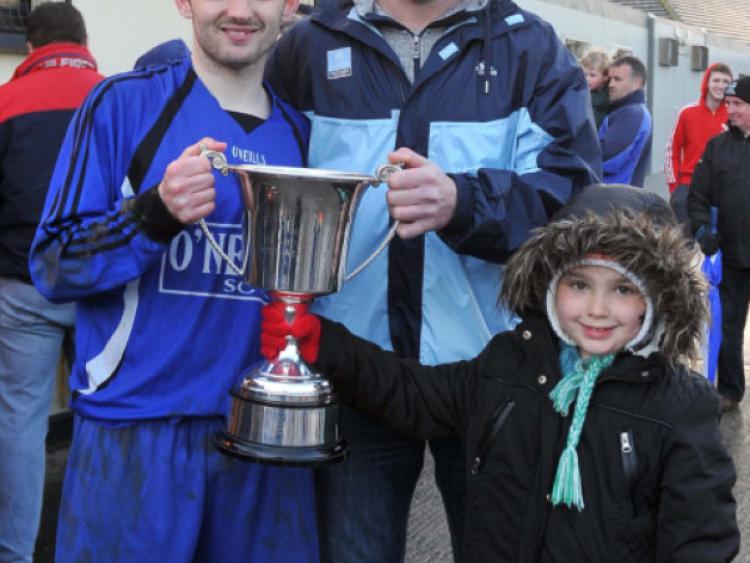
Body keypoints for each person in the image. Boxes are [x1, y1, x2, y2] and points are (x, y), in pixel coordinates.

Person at [266, 1, 601, 560]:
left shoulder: (531, 46)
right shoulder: (312, 42)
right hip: (356, 370)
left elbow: (572, 198)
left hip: (491, 371)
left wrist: (464, 201)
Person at [261, 184, 740, 562]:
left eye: (622, 290)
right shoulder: (509, 365)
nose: (597, 309)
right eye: (579, 284)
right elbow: (413, 394)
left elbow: (700, 542)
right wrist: (326, 344)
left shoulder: (678, 406)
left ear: (658, 299)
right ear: (550, 285)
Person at [28, 0, 318, 561]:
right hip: (136, 433)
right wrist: (151, 213)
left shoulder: (300, 132)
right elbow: (53, 265)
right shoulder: (123, 104)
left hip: (260, 437)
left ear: (288, 4)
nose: (241, 11)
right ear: (184, 2)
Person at [0, 4, 102, 561]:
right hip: (101, 289)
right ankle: (93, 545)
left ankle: (13, 553)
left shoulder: (4, 102)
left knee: (20, 421)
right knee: (103, 416)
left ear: (31, 43)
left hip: (23, 288)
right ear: (83, 40)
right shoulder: (115, 97)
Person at [689, 76, 750, 413]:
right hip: (731, 256)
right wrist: (701, 231)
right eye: (729, 104)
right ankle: (728, 390)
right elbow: (698, 195)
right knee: (727, 325)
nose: (731, 110)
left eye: (739, 104)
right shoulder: (717, 148)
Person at [665, 62, 732, 235]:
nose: (721, 86)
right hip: (688, 188)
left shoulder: (734, 116)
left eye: (726, 81)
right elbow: (672, 150)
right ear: (707, 83)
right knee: (683, 244)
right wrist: (675, 189)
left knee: (716, 242)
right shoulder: (687, 113)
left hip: (722, 190)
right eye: (716, 80)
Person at [598, 55, 652, 187]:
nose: (610, 85)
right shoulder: (623, 111)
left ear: (637, 83)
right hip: (610, 196)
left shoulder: (632, 114)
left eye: (617, 79)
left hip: (614, 200)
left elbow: (607, 159)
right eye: (610, 79)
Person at [580, 49, 610, 128]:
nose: (586, 79)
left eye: (592, 75)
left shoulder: (610, 100)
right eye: (584, 74)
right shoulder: (579, 92)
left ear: (606, 76)